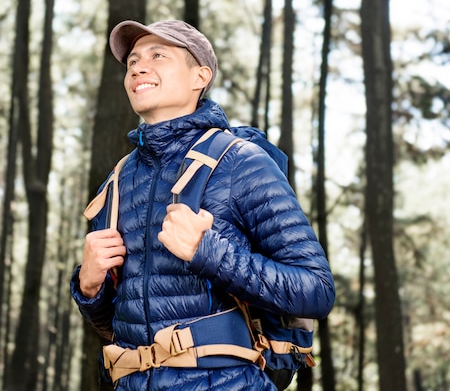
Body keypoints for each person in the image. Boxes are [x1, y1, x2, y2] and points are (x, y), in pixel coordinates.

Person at [70, 19, 335, 390]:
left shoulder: (242, 162)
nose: (138, 67)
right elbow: (119, 326)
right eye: (132, 62)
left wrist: (207, 251)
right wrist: (90, 288)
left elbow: (317, 291)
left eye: (158, 55)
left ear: (200, 76)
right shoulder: (118, 181)